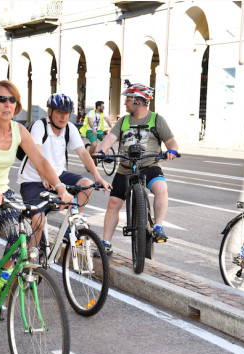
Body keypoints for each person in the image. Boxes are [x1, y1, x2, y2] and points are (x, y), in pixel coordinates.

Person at [0, 81, 73, 352]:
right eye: (1, 99)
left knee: (25, 235)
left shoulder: (19, 130)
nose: (8, 105)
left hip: (3, 196)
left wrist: (61, 187)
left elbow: (41, 161)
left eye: (12, 100)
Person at [18, 93, 111, 249]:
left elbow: (83, 152)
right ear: (50, 112)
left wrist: (98, 177)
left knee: (87, 185)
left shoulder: (70, 128)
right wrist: (44, 176)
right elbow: (37, 155)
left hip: (58, 175)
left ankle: (70, 229)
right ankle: (31, 264)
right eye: (60, 112)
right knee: (39, 223)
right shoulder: (40, 126)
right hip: (32, 179)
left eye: (67, 113)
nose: (63, 117)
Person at [95, 83, 178, 255]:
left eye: (128, 100)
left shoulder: (156, 119)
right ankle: (106, 243)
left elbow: (170, 141)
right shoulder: (123, 121)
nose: (125, 103)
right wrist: (102, 152)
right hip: (125, 167)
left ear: (138, 102)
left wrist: (172, 150)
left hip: (149, 165)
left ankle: (158, 226)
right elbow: (110, 138)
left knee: (161, 188)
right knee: (113, 204)